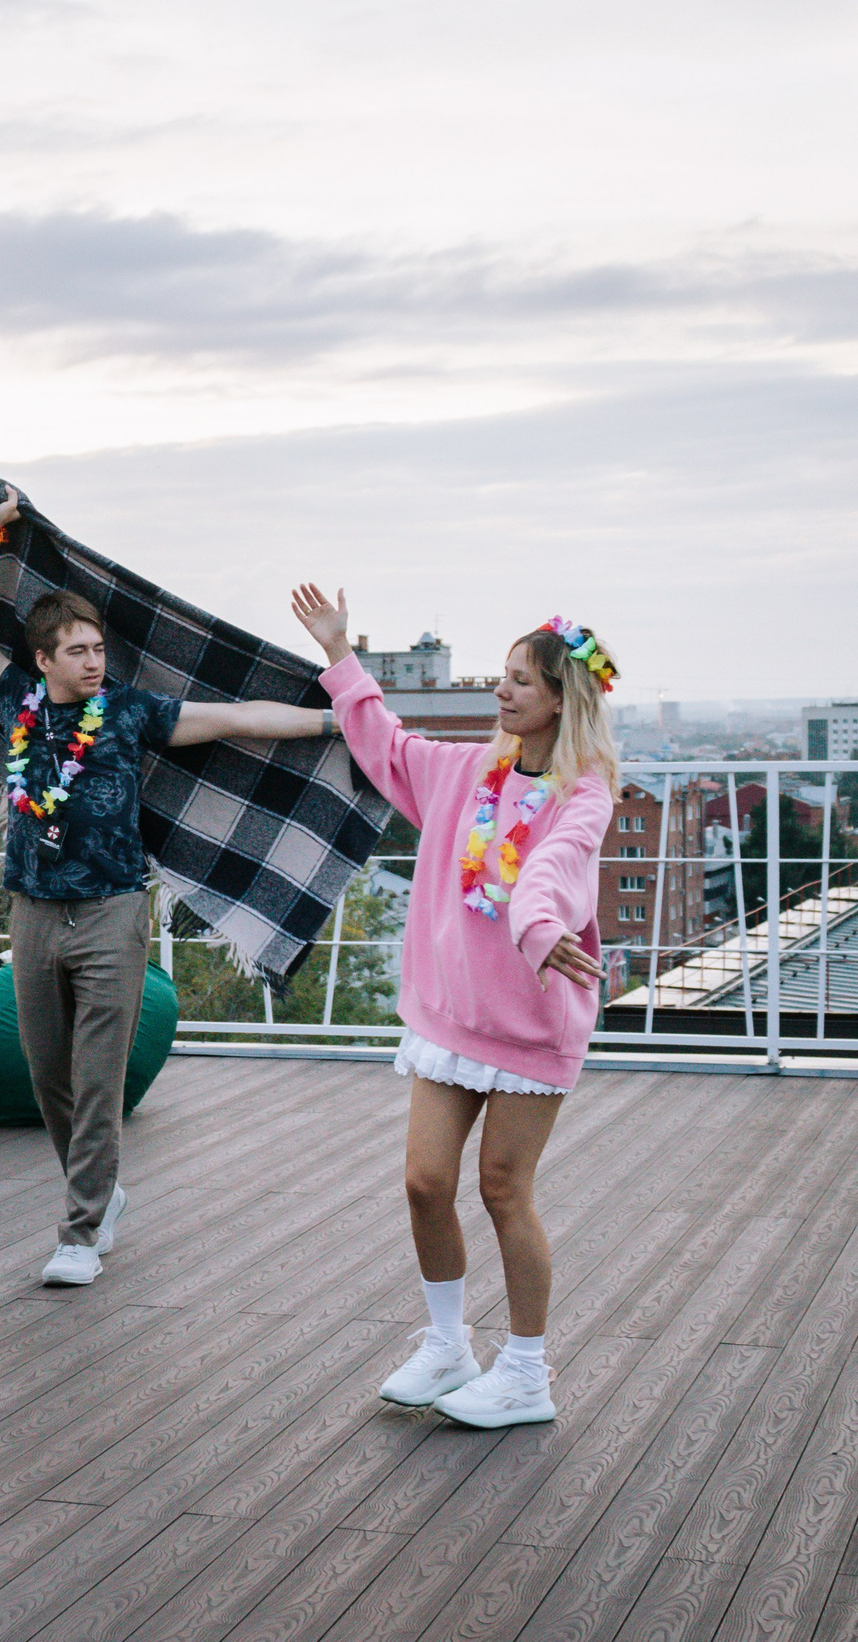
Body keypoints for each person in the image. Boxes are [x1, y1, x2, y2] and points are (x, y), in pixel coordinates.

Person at [0, 493, 343, 1287]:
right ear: (46, 658)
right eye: (79, 650)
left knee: (97, 1075)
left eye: (99, 648)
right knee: (47, 1071)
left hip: (113, 910)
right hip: (32, 910)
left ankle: (81, 1229)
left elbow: (239, 719)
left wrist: (335, 720)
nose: (95, 660)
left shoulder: (128, 713)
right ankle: (101, 1191)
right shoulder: (15, 702)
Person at [293, 584, 616, 1429]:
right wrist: (339, 652)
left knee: (504, 1187)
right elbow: (387, 747)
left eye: (518, 681)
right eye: (502, 676)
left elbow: (553, 869)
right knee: (424, 1182)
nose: (500, 691)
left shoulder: (584, 794)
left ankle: (525, 1372)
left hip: (534, 1015)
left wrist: (540, 927)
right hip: (453, 1014)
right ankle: (448, 1346)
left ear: (558, 701)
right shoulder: (469, 770)